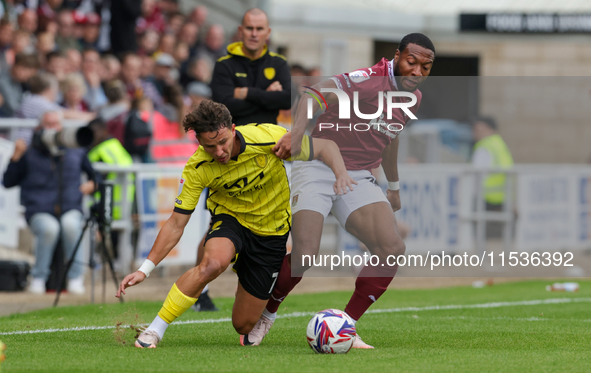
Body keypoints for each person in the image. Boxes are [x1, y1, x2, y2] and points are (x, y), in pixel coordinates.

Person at [244, 33, 436, 349]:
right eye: (411, 62)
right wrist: (296, 133)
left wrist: (394, 186)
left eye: (425, 67)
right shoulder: (366, 80)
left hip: (358, 176)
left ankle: (344, 326)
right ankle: (268, 313)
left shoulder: (412, 96)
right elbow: (312, 96)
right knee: (305, 255)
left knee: (392, 249)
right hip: (318, 164)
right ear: (397, 55)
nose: (416, 72)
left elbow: (391, 136)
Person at [116, 99, 356, 348]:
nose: (219, 152)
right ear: (199, 142)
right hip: (231, 221)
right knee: (211, 264)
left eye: (223, 142)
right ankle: (155, 330)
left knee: (243, 325)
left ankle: (259, 299)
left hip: (271, 231)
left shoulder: (268, 137)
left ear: (232, 130)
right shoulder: (197, 167)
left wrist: (341, 175)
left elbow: (326, 147)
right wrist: (144, 269)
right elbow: (176, 224)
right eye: (210, 146)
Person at [2, 110, 96, 294]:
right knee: (49, 228)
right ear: (39, 128)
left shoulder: (75, 149)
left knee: (70, 225)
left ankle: (75, 278)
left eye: (56, 124)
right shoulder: (29, 153)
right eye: (48, 124)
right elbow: (8, 182)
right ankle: (39, 277)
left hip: (70, 206)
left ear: (62, 127)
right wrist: (15, 157)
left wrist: (93, 184)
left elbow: (96, 176)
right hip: (39, 208)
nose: (52, 128)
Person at [210, 8, 290, 126]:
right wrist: (267, 95)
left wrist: (247, 93)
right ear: (240, 31)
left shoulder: (279, 63)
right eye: (249, 28)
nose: (254, 34)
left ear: (268, 33)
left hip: (269, 139)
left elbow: (288, 100)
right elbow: (223, 108)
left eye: (259, 29)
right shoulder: (224, 64)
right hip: (235, 139)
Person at [87, 118, 134, 259]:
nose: (92, 136)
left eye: (94, 132)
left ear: (104, 131)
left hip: (105, 203)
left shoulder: (102, 150)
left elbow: (101, 176)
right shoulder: (115, 146)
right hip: (122, 203)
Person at [471, 116, 514, 210]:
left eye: (478, 129)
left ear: (488, 128)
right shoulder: (499, 143)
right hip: (502, 196)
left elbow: (476, 173)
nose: (475, 132)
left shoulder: (484, 147)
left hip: (485, 196)